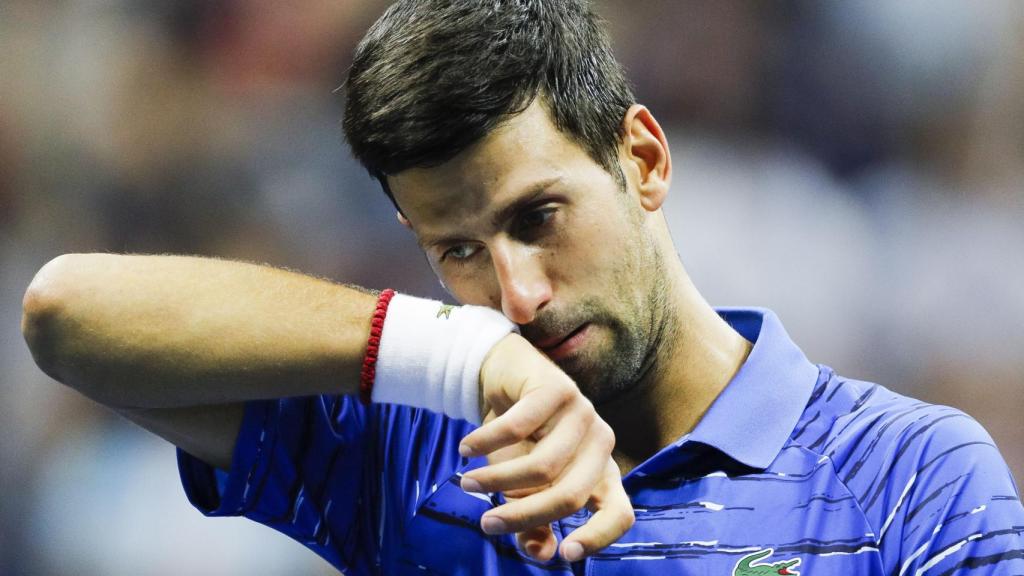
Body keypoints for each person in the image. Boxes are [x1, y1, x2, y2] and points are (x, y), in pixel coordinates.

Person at [20, 1, 1024, 574]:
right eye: (455, 249)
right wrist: (457, 351)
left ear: (641, 159)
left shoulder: (909, 474)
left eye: (537, 218)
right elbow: (67, 315)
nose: (517, 293)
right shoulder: (410, 445)